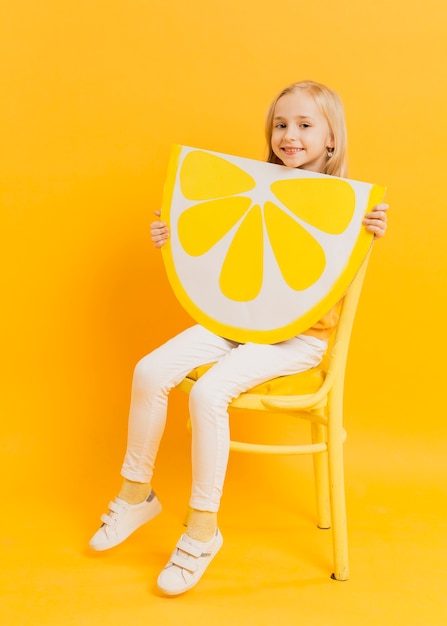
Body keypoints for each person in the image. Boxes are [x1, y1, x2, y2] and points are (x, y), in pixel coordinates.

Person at [89, 80, 388, 595]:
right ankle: (136, 495)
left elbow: (332, 268)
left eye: (304, 125)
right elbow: (225, 253)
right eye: (280, 124)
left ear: (332, 139)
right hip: (235, 323)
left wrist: (370, 228)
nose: (289, 135)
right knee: (149, 370)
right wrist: (174, 236)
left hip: (299, 341)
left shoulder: (349, 206)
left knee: (208, 392)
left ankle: (202, 531)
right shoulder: (247, 188)